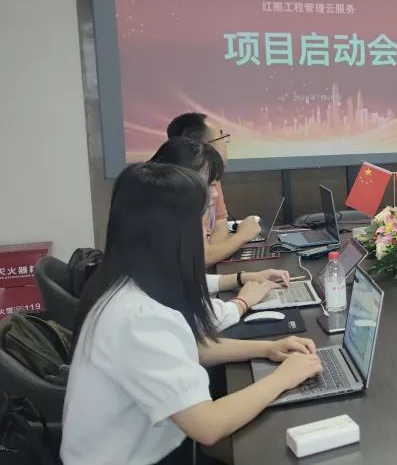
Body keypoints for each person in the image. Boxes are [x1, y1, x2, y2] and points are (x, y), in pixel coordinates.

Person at [62, 163, 322, 465]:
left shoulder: (129, 284)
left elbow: (188, 349)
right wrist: (284, 377)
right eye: (200, 222)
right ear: (171, 233)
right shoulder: (137, 317)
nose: (207, 231)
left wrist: (267, 348)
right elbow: (208, 425)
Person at [149, 137, 287, 329]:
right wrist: (243, 302)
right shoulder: (163, 232)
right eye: (210, 184)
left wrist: (241, 278)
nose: (214, 193)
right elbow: (197, 322)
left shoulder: (163, 222)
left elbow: (183, 281)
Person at [167, 112, 258, 266]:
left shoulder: (211, 177)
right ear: (203, 146)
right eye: (221, 137)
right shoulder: (178, 187)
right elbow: (200, 260)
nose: (226, 142)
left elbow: (220, 224)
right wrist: (243, 235)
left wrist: (214, 252)